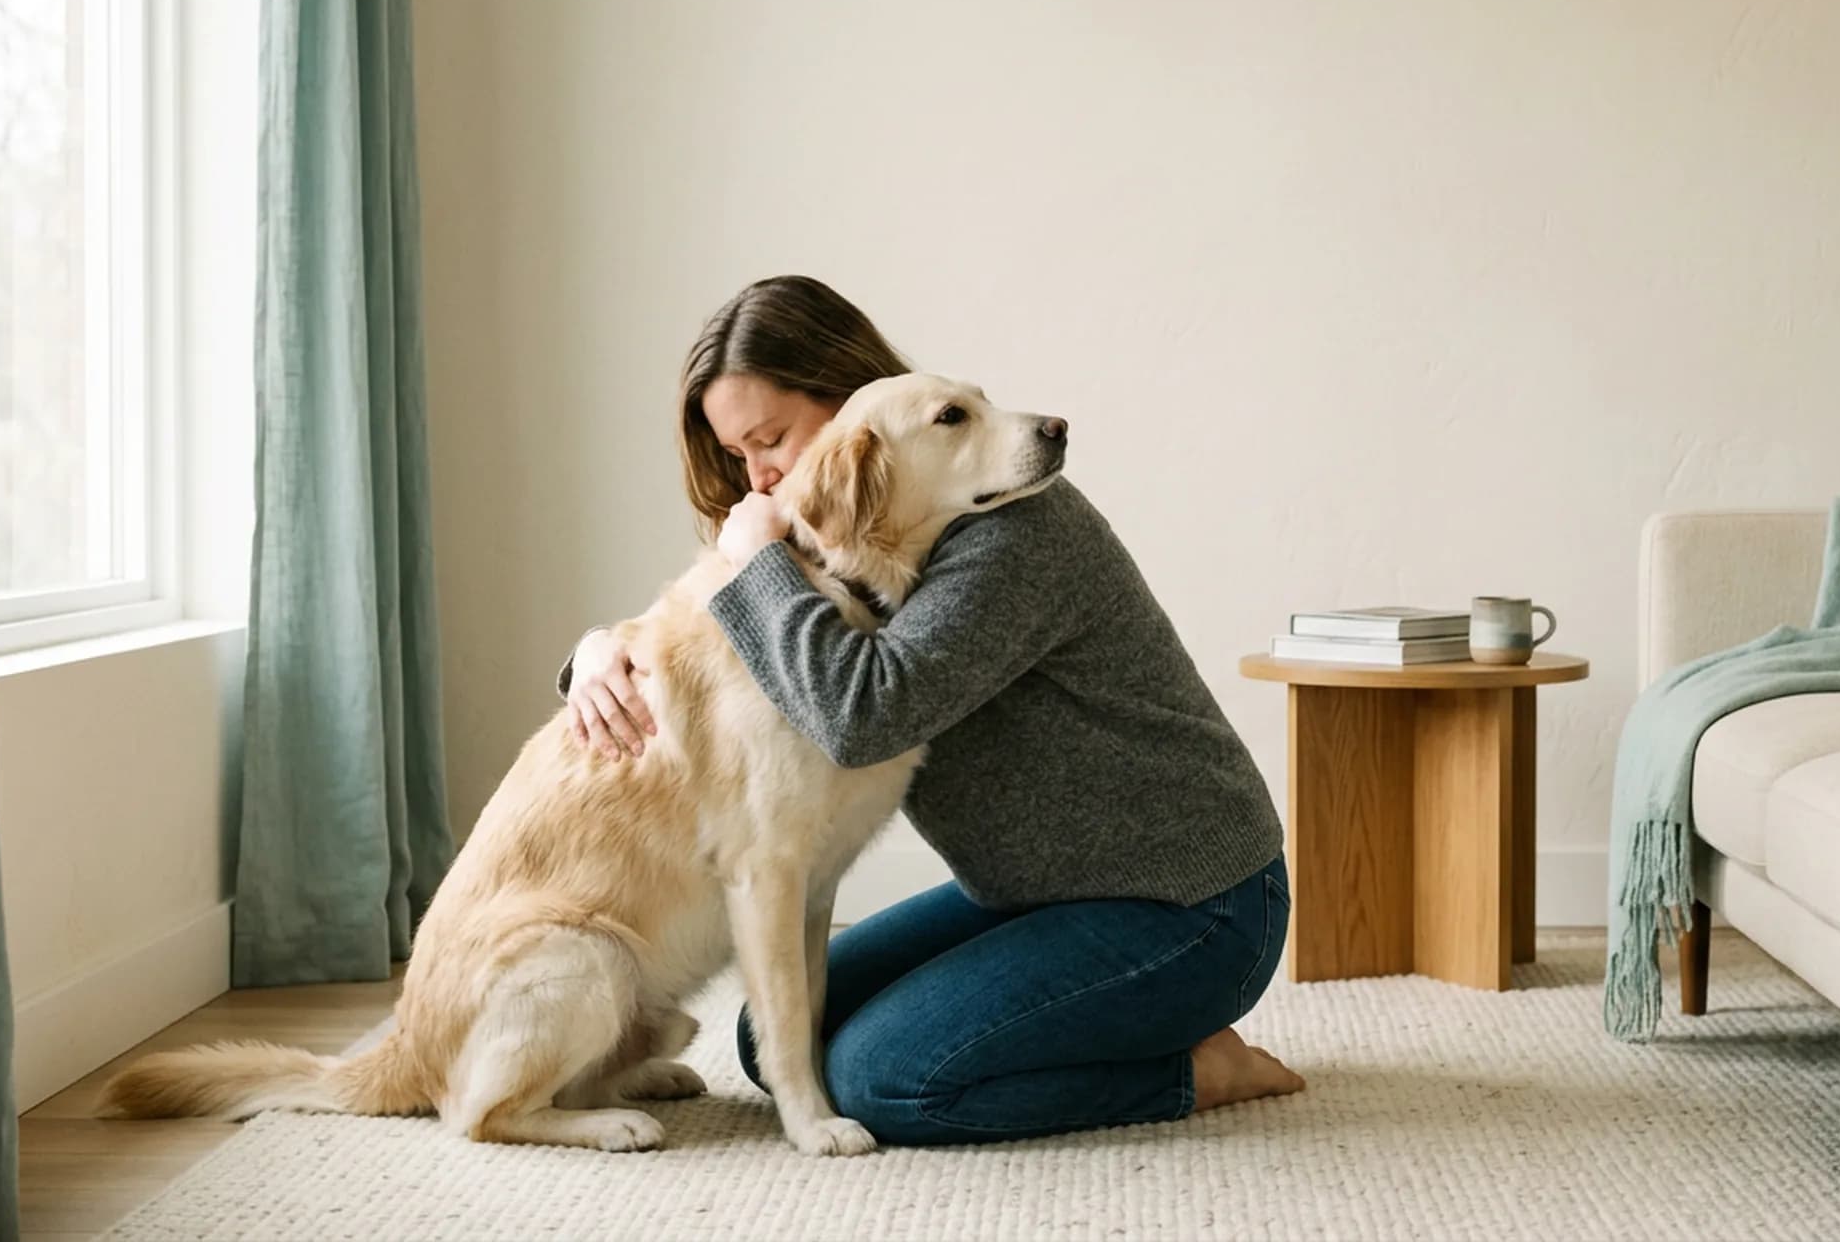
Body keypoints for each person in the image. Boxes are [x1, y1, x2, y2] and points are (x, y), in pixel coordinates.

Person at [557, 275, 1302, 1146]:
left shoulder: (1011, 531)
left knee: (885, 1081)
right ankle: (1093, 1021)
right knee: (776, 1042)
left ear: (853, 409)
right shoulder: (865, 546)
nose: (757, 479)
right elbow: (720, 647)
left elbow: (863, 714)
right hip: (1032, 895)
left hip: (1191, 907)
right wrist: (599, 650)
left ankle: (1193, 1068)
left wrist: (756, 563)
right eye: (740, 457)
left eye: (771, 441)